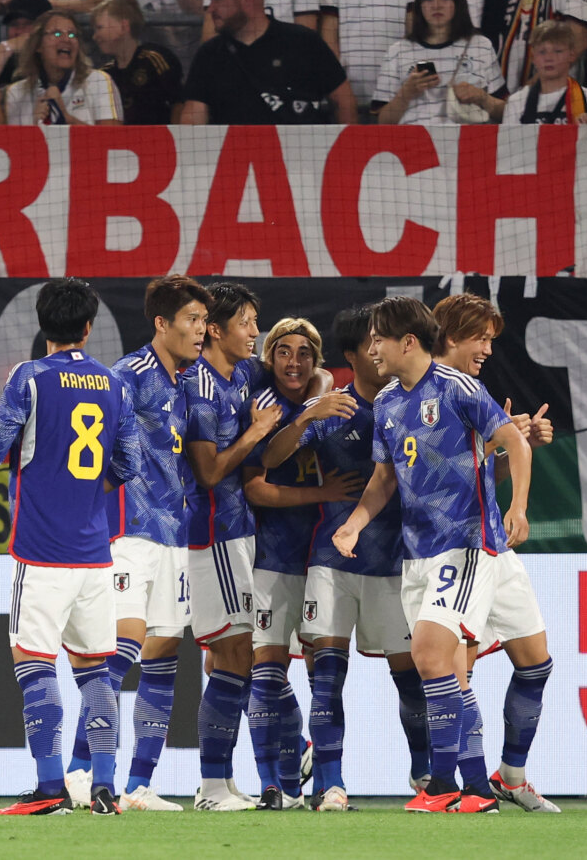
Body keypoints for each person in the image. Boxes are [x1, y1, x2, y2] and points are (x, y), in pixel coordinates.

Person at [333, 297, 534, 814]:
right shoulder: (387, 403)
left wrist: (518, 507)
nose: (371, 348)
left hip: (464, 543)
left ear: (408, 342)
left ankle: (444, 784)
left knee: (429, 654)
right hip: (416, 554)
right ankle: (476, 789)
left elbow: (515, 441)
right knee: (439, 668)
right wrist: (354, 523)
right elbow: (384, 478)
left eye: (378, 338)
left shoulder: (457, 387)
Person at [0, 278, 142, 816]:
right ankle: (105, 788)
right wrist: (88, 491)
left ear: (41, 324)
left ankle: (51, 787)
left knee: (34, 662)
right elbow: (129, 461)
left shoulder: (29, 377)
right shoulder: (114, 384)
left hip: (40, 551)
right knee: (95, 671)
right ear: (88, 327)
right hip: (94, 553)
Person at [261, 306, 429, 812]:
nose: (379, 352)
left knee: (412, 678)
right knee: (327, 676)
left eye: (383, 341)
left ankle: (425, 772)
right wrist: (306, 416)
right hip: (331, 562)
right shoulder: (333, 408)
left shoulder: (411, 405)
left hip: (394, 564)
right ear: (352, 355)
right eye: (370, 344)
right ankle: (329, 785)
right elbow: (270, 458)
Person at [59, 276, 212, 812]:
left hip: (173, 534)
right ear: (161, 324)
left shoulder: (184, 382)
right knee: (121, 650)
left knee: (164, 654)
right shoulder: (129, 375)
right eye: (192, 319)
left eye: (204, 320)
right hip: (129, 532)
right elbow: (92, 447)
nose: (201, 329)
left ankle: (140, 784)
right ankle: (78, 771)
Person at [430, 293, 560, 814]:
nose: (487, 349)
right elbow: (431, 479)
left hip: (494, 547)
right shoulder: (433, 391)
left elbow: (482, 474)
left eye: (489, 339)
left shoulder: (472, 389)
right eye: (479, 338)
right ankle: (467, 784)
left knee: (536, 664)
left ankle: (510, 775)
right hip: (455, 551)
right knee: (457, 673)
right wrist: (499, 443)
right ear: (450, 335)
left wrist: (511, 448)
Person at [239, 318, 360, 811]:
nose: (294, 362)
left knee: (323, 676)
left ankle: (325, 785)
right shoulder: (265, 405)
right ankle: (274, 784)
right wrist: (322, 491)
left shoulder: (332, 397)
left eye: (304, 353)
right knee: (265, 672)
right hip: (272, 555)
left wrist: (320, 397)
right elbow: (257, 483)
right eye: (284, 352)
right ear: (270, 357)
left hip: (322, 559)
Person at [183, 282, 282, 811]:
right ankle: (213, 785)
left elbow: (294, 372)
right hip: (212, 534)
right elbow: (207, 472)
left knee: (232, 655)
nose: (255, 333)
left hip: (239, 532)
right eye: (246, 323)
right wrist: (256, 432)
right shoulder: (200, 386)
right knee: (235, 653)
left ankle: (220, 781)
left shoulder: (241, 374)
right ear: (216, 330)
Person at [181, 0, 357, 124]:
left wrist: (347, 152)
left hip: (301, 157)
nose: (210, 8)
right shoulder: (210, 54)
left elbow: (344, 102)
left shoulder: (304, 42)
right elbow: (193, 118)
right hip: (235, 158)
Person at [373, 0, 505, 125]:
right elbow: (382, 122)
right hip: (415, 136)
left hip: (469, 135)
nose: (436, 6)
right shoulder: (397, 51)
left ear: (458, 3)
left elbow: (506, 113)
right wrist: (406, 93)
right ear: (419, 6)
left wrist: (483, 98)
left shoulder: (481, 46)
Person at [5, 10, 124, 124]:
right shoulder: (17, 93)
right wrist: (34, 127)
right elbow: (12, 138)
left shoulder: (98, 81)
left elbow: (112, 136)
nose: (67, 39)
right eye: (57, 33)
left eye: (72, 34)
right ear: (38, 45)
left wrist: (65, 117)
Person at [473, 0, 587, 96]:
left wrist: (528, 92)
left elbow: (579, 38)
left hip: (555, 95)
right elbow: (473, 36)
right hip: (498, 92)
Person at [93, 0, 186, 124]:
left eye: (99, 28)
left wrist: (176, 134)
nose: (95, 36)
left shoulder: (154, 59)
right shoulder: (106, 74)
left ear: (124, 27)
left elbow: (179, 103)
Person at [502, 19, 587, 124]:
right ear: (533, 57)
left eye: (558, 51)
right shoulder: (516, 102)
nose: (549, 58)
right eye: (542, 52)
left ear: (571, 55)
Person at [0, 0, 53, 88]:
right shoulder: (5, 61)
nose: (19, 31)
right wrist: (4, 48)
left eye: (28, 24)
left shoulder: (57, 62)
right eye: (14, 24)